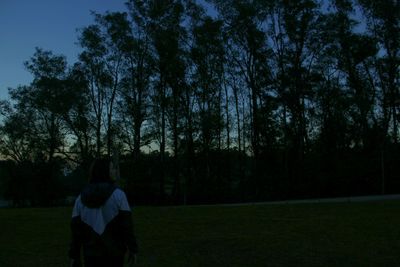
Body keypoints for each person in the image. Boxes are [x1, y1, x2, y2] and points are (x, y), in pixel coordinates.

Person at [68, 158, 138, 267]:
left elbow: (76, 231)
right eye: (112, 168)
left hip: (91, 256)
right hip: (115, 255)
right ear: (105, 171)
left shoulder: (80, 198)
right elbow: (127, 226)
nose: (115, 171)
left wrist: (74, 255)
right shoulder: (119, 195)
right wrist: (133, 249)